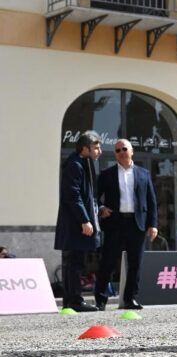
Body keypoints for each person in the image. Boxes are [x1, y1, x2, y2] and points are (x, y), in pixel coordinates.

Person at [94, 138, 158, 311]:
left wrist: (153, 224)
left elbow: (151, 202)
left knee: (135, 263)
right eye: (117, 150)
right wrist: (100, 208)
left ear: (132, 151)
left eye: (124, 149)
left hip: (137, 224)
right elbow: (94, 196)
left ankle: (130, 299)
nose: (121, 152)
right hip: (115, 223)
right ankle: (100, 300)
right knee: (107, 262)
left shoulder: (143, 174)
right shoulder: (107, 174)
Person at [54, 130, 102, 312]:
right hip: (75, 225)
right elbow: (73, 196)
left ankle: (72, 300)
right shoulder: (75, 165)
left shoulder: (82, 163)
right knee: (74, 263)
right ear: (85, 148)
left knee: (75, 262)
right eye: (96, 148)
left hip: (78, 223)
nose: (99, 151)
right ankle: (74, 301)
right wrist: (84, 220)